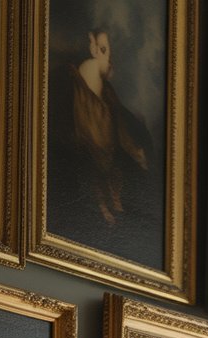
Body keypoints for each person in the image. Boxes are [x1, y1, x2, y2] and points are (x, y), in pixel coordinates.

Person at [71, 25, 148, 227]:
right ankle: (106, 206)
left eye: (108, 52)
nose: (106, 58)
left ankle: (112, 203)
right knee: (103, 160)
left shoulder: (106, 90)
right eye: (102, 49)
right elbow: (96, 113)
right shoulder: (90, 67)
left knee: (114, 160)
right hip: (94, 127)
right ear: (93, 46)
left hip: (100, 126)